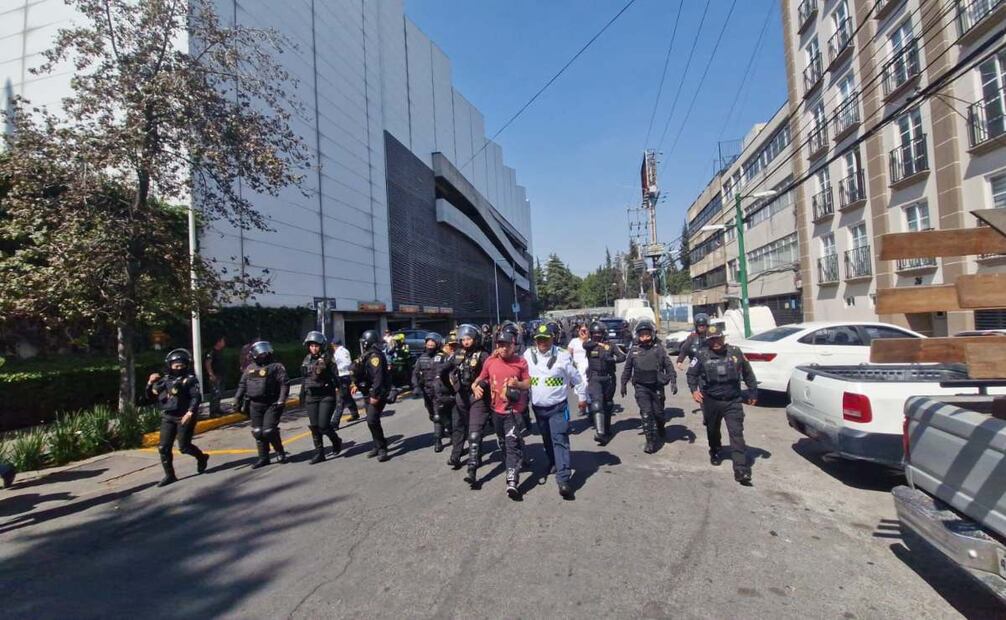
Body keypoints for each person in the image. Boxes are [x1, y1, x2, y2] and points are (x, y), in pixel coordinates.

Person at [686, 325, 758, 486]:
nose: (716, 342)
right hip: (711, 400)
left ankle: (741, 469)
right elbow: (691, 374)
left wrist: (753, 392)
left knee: (736, 433)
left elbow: (747, 372)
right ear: (708, 341)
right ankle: (715, 450)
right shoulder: (701, 354)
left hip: (733, 400)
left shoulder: (735, 352)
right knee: (712, 429)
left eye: (718, 338)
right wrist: (693, 391)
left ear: (723, 338)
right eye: (712, 339)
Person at [524, 322, 584, 500]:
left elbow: (577, 378)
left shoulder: (563, 356)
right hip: (538, 408)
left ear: (553, 338)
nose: (542, 342)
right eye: (539, 339)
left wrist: (581, 398)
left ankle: (564, 479)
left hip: (557, 407)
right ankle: (552, 462)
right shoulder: (528, 354)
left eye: (546, 339)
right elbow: (516, 368)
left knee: (560, 440)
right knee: (547, 440)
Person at [474, 324, 531, 499]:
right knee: (504, 443)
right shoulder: (490, 361)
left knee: (511, 444)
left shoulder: (521, 362)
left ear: (514, 345)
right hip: (496, 411)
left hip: (514, 412)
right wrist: (475, 387)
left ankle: (512, 481)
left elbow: (529, 383)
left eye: (506, 344)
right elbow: (480, 379)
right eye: (500, 344)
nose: (503, 347)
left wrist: (518, 385)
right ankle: (517, 457)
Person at [146, 349, 209, 486]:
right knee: (163, 448)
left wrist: (190, 413)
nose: (179, 368)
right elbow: (151, 396)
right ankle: (170, 475)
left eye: (181, 366)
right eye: (175, 366)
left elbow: (196, 398)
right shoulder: (165, 380)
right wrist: (150, 383)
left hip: (184, 416)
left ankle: (202, 457)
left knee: (184, 447)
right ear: (169, 365)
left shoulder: (190, 380)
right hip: (168, 416)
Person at [620, 319, 677, 454]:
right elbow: (627, 369)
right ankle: (650, 442)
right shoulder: (634, 351)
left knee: (658, 413)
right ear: (638, 336)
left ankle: (661, 427)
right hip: (641, 387)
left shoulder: (658, 349)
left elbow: (668, 365)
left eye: (647, 334)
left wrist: (673, 380)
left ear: (652, 334)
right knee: (646, 414)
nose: (644, 337)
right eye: (642, 335)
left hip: (656, 386)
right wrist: (623, 383)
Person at [442, 324, 490, 482]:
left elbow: (489, 374)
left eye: (469, 338)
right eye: (463, 339)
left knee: (475, 431)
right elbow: (443, 370)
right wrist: (452, 388)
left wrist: (480, 385)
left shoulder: (483, 355)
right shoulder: (457, 354)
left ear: (475, 339)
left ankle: (473, 465)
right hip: (461, 397)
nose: (466, 341)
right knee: (458, 427)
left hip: (477, 397)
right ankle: (455, 456)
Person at [234, 341, 290, 468]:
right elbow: (242, 384)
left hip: (272, 403)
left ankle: (280, 452)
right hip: (255, 404)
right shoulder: (250, 368)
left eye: (265, 351)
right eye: (260, 352)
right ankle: (263, 458)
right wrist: (237, 399)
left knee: (269, 430)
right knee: (258, 432)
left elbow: (284, 383)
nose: (263, 354)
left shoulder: (276, 366)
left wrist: (282, 399)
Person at [300, 331, 343, 464]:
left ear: (322, 346)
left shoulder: (328, 358)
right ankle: (319, 453)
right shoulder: (306, 359)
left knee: (323, 425)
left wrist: (341, 390)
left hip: (326, 395)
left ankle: (336, 441)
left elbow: (336, 376)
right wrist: (302, 395)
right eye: (311, 345)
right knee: (314, 426)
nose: (313, 348)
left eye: (316, 345)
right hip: (311, 396)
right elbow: (304, 379)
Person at [583, 321, 626, 445]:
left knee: (608, 404)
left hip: (609, 378)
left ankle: (607, 430)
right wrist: (590, 339)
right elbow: (585, 345)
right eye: (594, 333)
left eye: (599, 333)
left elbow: (622, 357)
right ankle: (600, 433)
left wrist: (612, 359)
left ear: (603, 333)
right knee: (597, 404)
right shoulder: (589, 345)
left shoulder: (610, 345)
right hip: (595, 377)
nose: (597, 335)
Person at [352, 330, 392, 462]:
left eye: (364, 342)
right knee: (372, 422)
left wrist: (375, 395)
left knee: (371, 420)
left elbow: (378, 378)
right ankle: (378, 444)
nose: (362, 344)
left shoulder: (375, 357)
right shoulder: (367, 355)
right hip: (367, 392)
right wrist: (356, 384)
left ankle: (382, 448)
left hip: (377, 393)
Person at [412, 332, 453, 452]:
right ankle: (448, 428)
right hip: (427, 392)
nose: (430, 344)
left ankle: (438, 440)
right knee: (432, 415)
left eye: (432, 342)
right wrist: (416, 387)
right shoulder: (421, 358)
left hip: (439, 392)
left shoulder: (442, 357)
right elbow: (415, 374)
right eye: (428, 342)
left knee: (437, 415)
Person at [331, 339, 357, 422]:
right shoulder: (345, 351)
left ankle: (335, 422)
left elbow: (343, 364)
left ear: (334, 345)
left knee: (341, 399)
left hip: (342, 377)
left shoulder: (339, 352)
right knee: (347, 396)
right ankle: (355, 413)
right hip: (347, 376)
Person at [567, 324, 590, 415]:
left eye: (585, 330)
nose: (583, 332)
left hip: (588, 367)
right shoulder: (574, 341)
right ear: (578, 331)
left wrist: (586, 340)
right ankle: (583, 407)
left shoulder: (590, 341)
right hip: (577, 368)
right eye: (582, 330)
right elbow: (568, 354)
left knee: (587, 386)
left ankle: (587, 405)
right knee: (580, 387)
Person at [203, 335, 227, 415]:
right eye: (223, 341)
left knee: (219, 393)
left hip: (221, 375)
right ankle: (213, 411)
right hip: (215, 376)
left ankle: (217, 409)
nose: (224, 343)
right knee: (215, 393)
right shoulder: (211, 351)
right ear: (218, 342)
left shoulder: (219, 351)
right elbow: (208, 363)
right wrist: (211, 374)